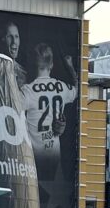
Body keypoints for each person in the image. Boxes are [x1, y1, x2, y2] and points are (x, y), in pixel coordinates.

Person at [20, 43, 77, 180]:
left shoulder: (28, 90)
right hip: (55, 156)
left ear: (34, 64)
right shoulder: (62, 87)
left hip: (33, 158)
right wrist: (70, 67)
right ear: (51, 65)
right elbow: (77, 90)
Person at [2, 21, 28, 88]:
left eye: (16, 37)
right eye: (10, 37)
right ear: (3, 39)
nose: (14, 41)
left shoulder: (23, 73)